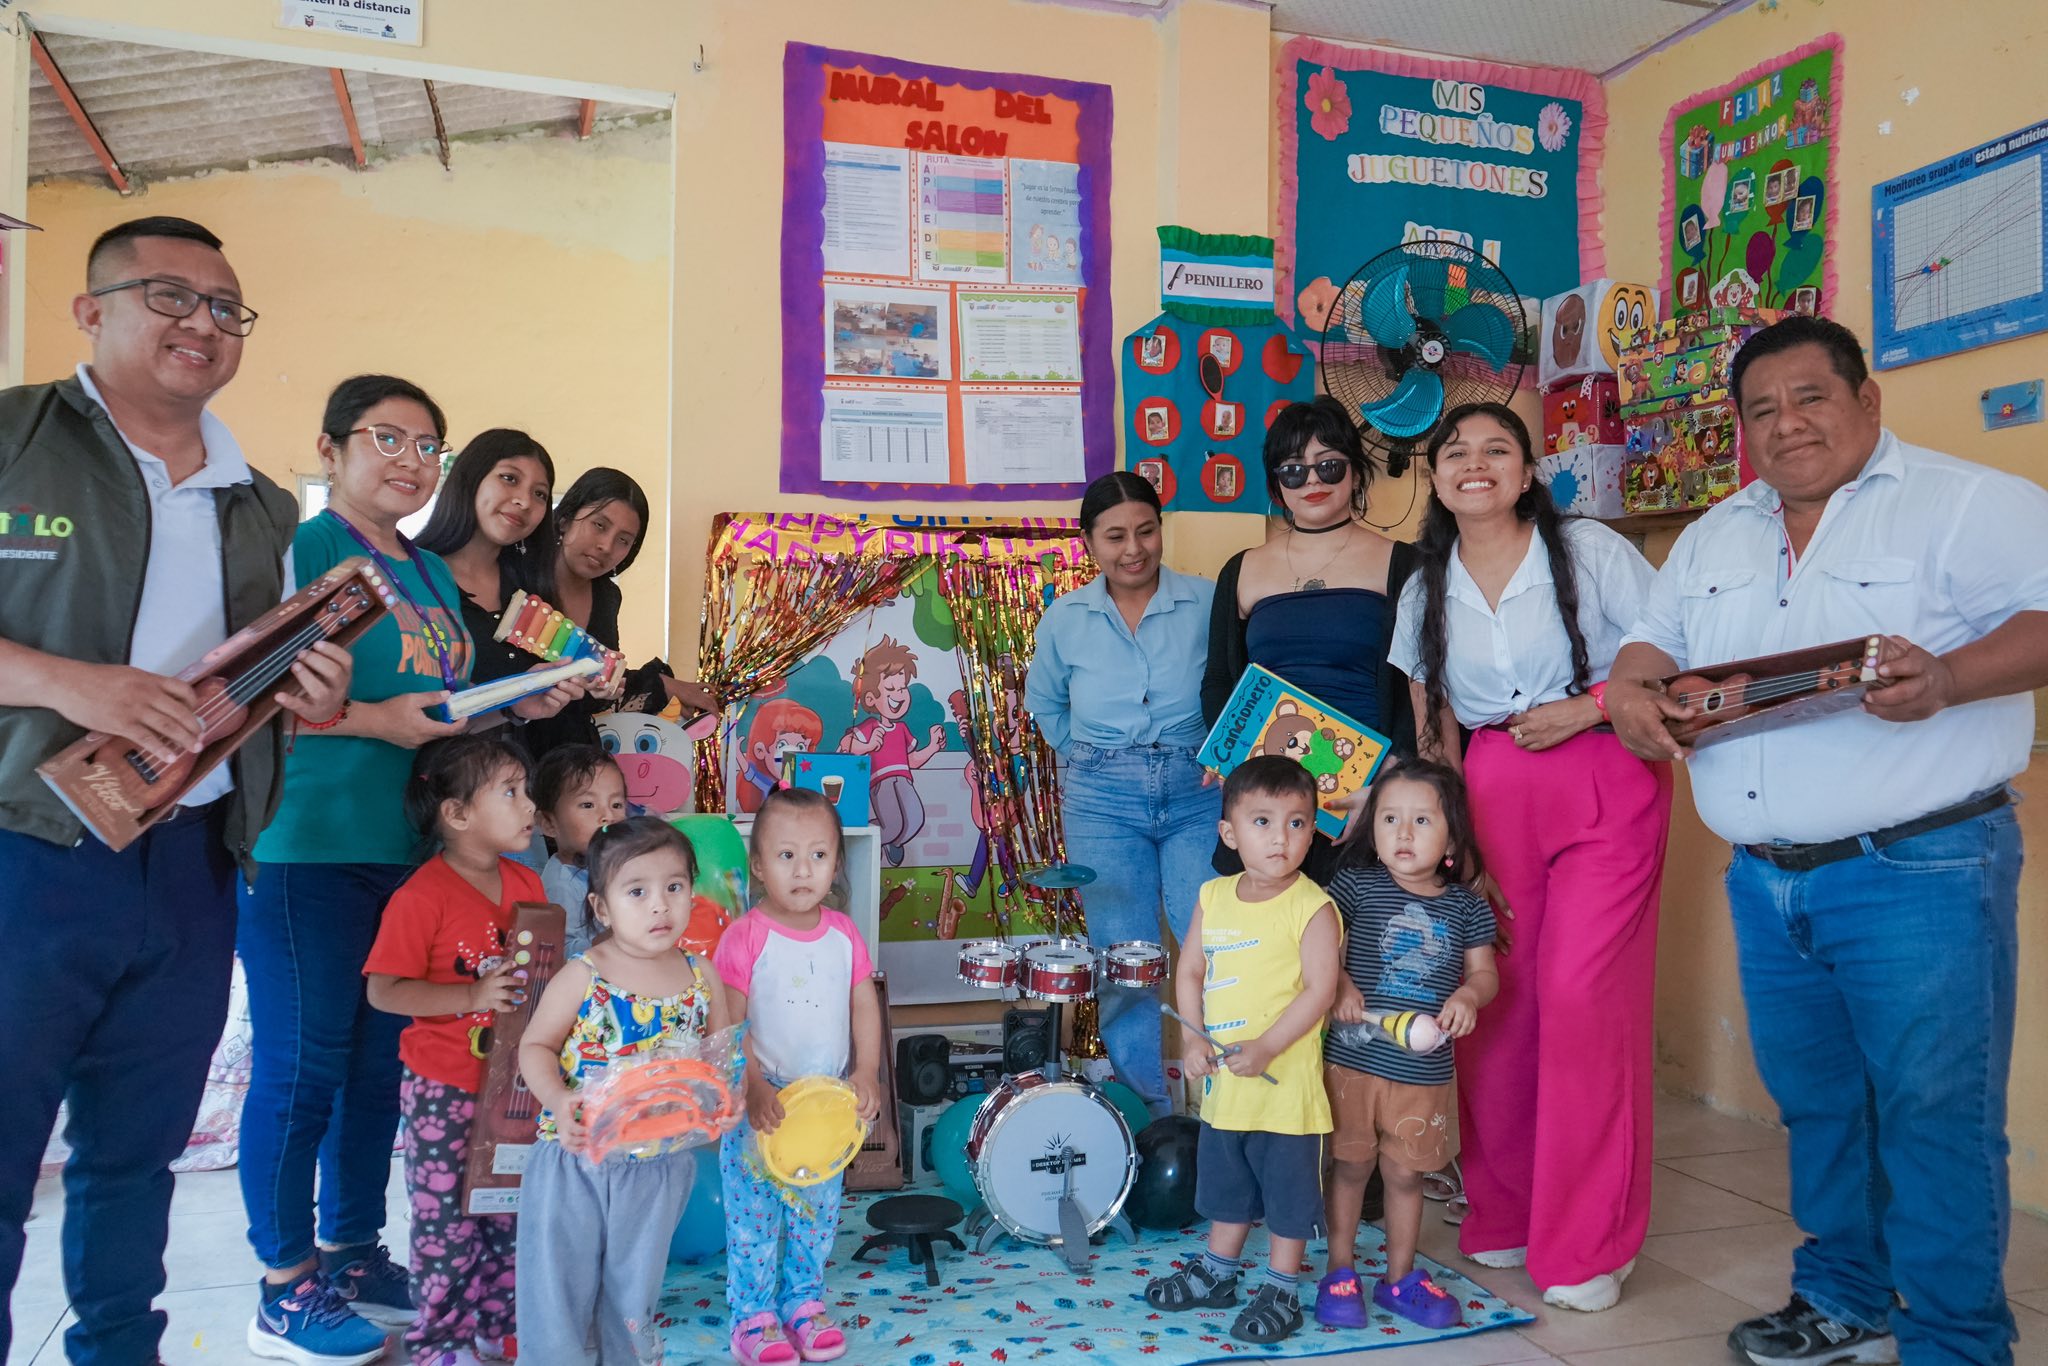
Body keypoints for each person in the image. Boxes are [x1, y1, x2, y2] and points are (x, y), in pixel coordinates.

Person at [1605, 316, 2048, 1366]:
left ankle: (1954, 1343)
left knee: (1934, 1117)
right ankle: (1847, 1302)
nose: (1787, 424)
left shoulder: (1965, 501)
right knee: (1821, 1110)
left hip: (1921, 867)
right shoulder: (1715, 535)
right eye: (1761, 409)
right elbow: (1651, 644)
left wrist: (1948, 677)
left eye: (1809, 397)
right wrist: (1630, 694)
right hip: (1767, 881)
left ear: (1865, 400)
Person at [0, 216, 351, 1366]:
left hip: (192, 864)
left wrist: (302, 691)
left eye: (225, 307)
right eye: (169, 295)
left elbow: (239, 687)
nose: (203, 322)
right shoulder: (14, 439)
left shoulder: (261, 506)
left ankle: (118, 1349)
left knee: (135, 1156)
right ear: (90, 311)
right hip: (26, 851)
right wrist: (70, 684)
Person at [238, 376, 574, 1364]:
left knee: (377, 1065)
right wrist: (370, 720)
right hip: (308, 844)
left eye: (428, 446)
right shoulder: (306, 549)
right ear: (331, 448)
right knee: (303, 1069)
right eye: (387, 438)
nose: (410, 460)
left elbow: (442, 714)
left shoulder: (423, 574)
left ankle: (351, 1252)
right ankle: (283, 1285)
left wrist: (525, 700)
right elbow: (244, 694)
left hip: (409, 856)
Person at [1390, 401, 1666, 1313]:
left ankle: (1590, 1242)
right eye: (1455, 452)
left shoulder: (1586, 549)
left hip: (1604, 771)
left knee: (1586, 1000)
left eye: (1497, 449)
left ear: (1527, 470)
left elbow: (1667, 652)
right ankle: (1504, 1212)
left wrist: (1588, 708)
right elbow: (1433, 726)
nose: (1475, 464)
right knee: (1496, 1002)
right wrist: (1449, 836)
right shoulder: (1425, 588)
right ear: (1435, 477)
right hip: (1492, 791)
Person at [1024, 471, 1218, 1113]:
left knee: (1216, 947)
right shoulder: (1066, 618)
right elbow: (1046, 702)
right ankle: (1151, 1118)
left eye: (1146, 531)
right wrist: (1089, 759)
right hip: (1102, 802)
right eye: (1115, 536)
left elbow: (1237, 686)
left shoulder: (1207, 601)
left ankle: (1226, 1108)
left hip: (1197, 791)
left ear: (1161, 530)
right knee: (1125, 962)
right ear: (1088, 542)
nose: (1133, 549)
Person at [516, 816, 732, 1366]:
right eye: (637, 891)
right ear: (602, 908)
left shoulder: (703, 977)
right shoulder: (583, 975)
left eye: (674, 886)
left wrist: (725, 1106)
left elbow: (722, 1060)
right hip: (577, 1162)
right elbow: (535, 1047)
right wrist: (558, 1099)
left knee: (633, 1294)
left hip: (659, 1169)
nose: (660, 905)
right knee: (558, 1289)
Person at [1144, 756, 1340, 1346]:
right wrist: (1193, 1036)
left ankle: (1282, 1288)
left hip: (1287, 1095)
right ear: (1229, 833)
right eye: (1262, 821)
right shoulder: (1213, 895)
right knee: (1226, 1186)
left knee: (1287, 1195)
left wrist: (1267, 1046)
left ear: (1313, 831)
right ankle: (1218, 1271)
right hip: (1227, 1087)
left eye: (1297, 823)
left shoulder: (1313, 906)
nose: (1281, 838)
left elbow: (1321, 990)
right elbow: (1190, 970)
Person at [363, 735, 542, 1366]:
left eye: (526, 790)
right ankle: (439, 1341)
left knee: (510, 1215)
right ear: (457, 813)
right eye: (510, 792)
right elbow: (384, 990)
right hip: (444, 1090)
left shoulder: (528, 882)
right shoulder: (422, 896)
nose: (529, 805)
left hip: (515, 1088)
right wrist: (472, 993)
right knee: (446, 1226)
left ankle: (500, 1327)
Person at [1203, 397, 1421, 885]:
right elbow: (1218, 679)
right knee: (1267, 931)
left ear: (1356, 472)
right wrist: (1227, 758)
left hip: (1367, 792)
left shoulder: (1403, 563)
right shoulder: (1241, 568)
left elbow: (1421, 688)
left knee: (1359, 929)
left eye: (1329, 466)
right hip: (1266, 800)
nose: (1313, 481)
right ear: (1276, 485)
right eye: (1293, 471)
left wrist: (1390, 784)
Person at [1318, 759, 1497, 1329]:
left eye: (1422, 820)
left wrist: (1469, 996)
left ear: (1453, 837)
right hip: (1351, 1063)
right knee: (1349, 1169)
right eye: (1390, 818)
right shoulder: (1353, 886)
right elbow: (1320, 949)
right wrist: (1339, 983)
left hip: (1422, 1074)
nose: (1403, 832)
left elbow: (1485, 974)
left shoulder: (1467, 905)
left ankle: (1399, 1278)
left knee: (1404, 1175)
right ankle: (1339, 1271)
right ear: (1371, 827)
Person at [714, 787, 883, 1366]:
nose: (803, 870)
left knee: (817, 1215)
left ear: (836, 864)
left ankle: (804, 1303)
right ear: (759, 865)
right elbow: (730, 1023)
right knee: (755, 1218)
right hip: (761, 1105)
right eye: (786, 855)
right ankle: (753, 1316)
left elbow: (863, 1004)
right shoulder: (745, 936)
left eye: (818, 855)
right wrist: (752, 1085)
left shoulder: (843, 934)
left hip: (825, 1107)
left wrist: (866, 1070)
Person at [528, 466, 713, 756]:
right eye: (599, 525)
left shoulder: (606, 596)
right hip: (504, 753)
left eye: (623, 540)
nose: (606, 546)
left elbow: (596, 687)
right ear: (565, 520)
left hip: (571, 756)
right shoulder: (521, 575)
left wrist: (618, 686)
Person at [413, 428, 559, 700]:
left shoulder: (532, 589)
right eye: (509, 478)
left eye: (540, 494)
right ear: (471, 478)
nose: (524, 501)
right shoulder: (410, 574)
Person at [534, 742, 629, 957]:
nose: (608, 816)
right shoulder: (561, 884)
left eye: (616, 804)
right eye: (588, 805)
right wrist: (618, 935)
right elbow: (560, 953)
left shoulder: (613, 867)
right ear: (549, 823)